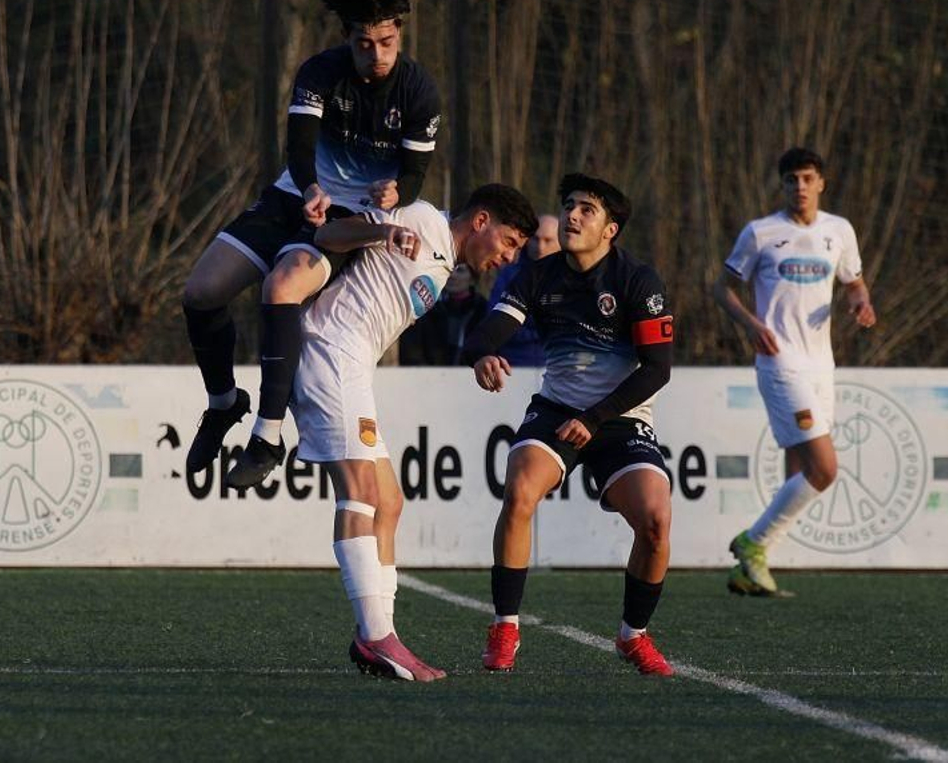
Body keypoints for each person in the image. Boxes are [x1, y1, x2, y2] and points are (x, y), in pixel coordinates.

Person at [256, 184, 534, 680]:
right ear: (481, 220)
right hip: (328, 350)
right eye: (509, 241)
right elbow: (332, 233)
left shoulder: (445, 260)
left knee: (389, 499)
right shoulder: (423, 218)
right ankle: (376, 636)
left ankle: (380, 634)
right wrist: (383, 229)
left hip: (353, 366)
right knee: (361, 493)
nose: (507, 256)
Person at [179, 0, 441, 487]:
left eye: (387, 42)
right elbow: (299, 148)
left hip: (350, 217)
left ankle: (268, 437)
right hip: (295, 196)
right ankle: (223, 405)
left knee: (283, 286)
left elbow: (413, 178)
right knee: (200, 293)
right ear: (348, 38)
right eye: (365, 43)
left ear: (400, 35)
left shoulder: (419, 91)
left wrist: (395, 195)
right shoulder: (320, 71)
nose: (377, 54)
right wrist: (309, 188)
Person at [462, 175, 677, 676]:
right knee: (519, 492)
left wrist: (597, 417)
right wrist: (482, 355)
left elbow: (657, 369)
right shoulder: (538, 276)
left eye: (587, 210)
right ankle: (505, 627)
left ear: (610, 229)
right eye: (569, 207)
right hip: (557, 411)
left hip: (619, 418)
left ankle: (632, 637)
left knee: (656, 522)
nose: (573, 217)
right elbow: (486, 332)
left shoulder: (638, 282)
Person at [712, 147, 876, 597]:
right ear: (781, 185)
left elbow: (854, 281)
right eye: (791, 180)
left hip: (822, 365)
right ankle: (753, 543)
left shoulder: (838, 230)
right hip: (780, 363)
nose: (799, 187)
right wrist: (750, 325)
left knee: (800, 470)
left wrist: (860, 301)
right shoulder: (761, 233)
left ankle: (752, 569)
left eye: (807, 178)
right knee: (825, 469)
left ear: (821, 183)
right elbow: (722, 287)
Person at [485, 214, 560, 366]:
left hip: (556, 367)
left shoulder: (572, 277)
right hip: (512, 365)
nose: (540, 247)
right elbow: (494, 323)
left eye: (548, 240)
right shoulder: (509, 275)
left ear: (561, 242)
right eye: (535, 239)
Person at [398, 264, 486, 366]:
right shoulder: (424, 308)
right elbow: (411, 353)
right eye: (449, 269)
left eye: (460, 271)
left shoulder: (483, 310)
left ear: (472, 278)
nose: (452, 275)